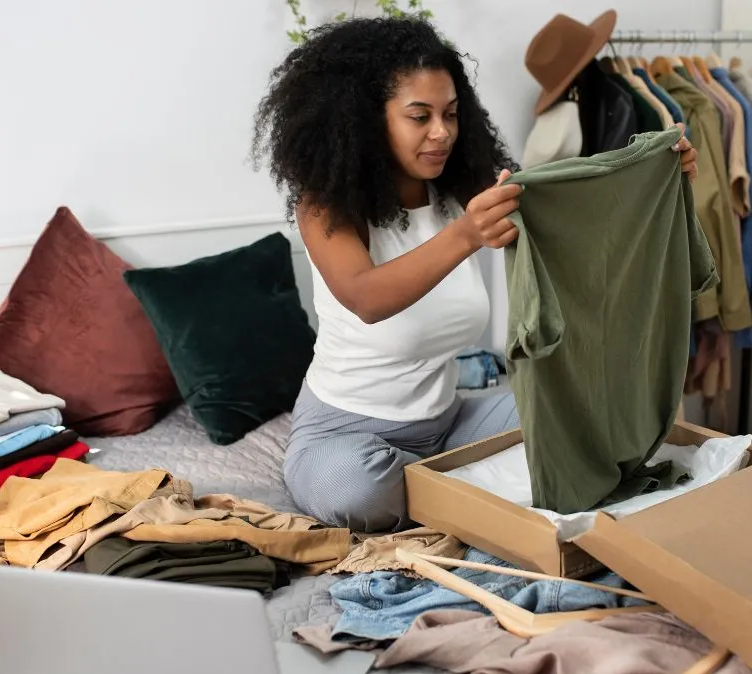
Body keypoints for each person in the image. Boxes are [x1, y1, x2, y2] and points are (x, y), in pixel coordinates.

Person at [250, 16, 698, 533]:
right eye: (419, 116)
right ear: (367, 120)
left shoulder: (460, 186)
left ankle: (442, 489)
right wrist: (465, 233)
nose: (441, 132)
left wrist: (655, 171)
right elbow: (365, 298)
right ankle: (455, 488)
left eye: (450, 113)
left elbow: (577, 208)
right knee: (358, 490)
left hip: (450, 425)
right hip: (344, 434)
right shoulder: (324, 206)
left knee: (579, 424)